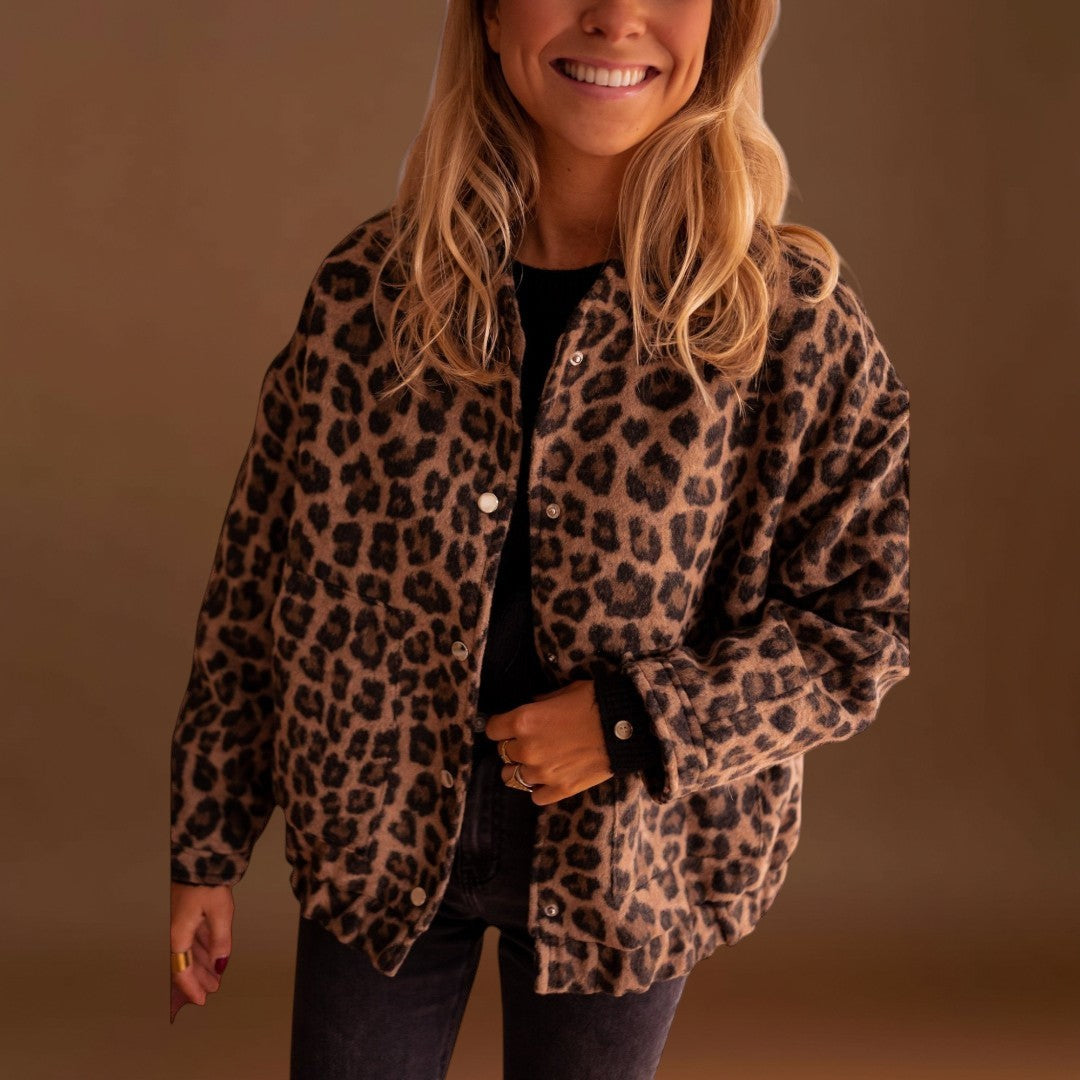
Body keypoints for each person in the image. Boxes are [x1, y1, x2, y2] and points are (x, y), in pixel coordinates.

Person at [169, 1, 911, 1078]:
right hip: (373, 845)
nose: (616, 16)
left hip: (627, 872)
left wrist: (631, 723)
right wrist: (207, 843)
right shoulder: (370, 294)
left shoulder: (790, 324)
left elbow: (858, 635)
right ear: (486, 11)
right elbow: (257, 578)